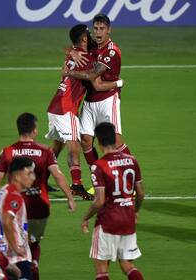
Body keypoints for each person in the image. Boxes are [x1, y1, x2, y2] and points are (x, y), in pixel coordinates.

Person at [0, 112, 76, 280]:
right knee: (33, 245)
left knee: (16, 246)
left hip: (16, 208)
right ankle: (33, 266)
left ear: (19, 129)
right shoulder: (45, 151)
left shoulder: (8, 152)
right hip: (39, 208)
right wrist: (69, 198)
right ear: (34, 130)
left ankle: (24, 270)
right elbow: (58, 175)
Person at [47, 24, 124, 200]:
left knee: (57, 146)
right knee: (74, 148)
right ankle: (77, 185)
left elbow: (64, 67)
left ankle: (40, 179)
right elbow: (95, 83)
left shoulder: (73, 54)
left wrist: (70, 58)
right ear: (83, 39)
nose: (92, 34)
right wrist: (119, 83)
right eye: (89, 33)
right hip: (66, 108)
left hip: (55, 106)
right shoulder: (87, 59)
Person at [64, 14, 130, 167]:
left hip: (108, 98)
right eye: (96, 28)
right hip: (90, 99)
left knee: (115, 140)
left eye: (102, 29)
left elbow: (92, 75)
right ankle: (98, 178)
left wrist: (70, 72)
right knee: (86, 141)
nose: (98, 32)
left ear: (109, 30)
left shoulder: (111, 52)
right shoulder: (93, 45)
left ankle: (130, 177)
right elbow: (71, 46)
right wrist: (72, 52)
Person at [81, 122, 145, 280]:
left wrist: (85, 218)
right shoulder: (132, 160)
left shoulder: (99, 166)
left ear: (99, 142)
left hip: (108, 221)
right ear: (115, 139)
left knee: (102, 269)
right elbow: (141, 193)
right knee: (127, 265)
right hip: (128, 218)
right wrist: (135, 211)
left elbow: (99, 201)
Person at [0, 157, 36, 280]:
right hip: (18, 259)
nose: (33, 177)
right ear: (17, 176)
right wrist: (16, 248)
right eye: (29, 173)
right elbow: (7, 222)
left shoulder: (3, 191)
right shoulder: (14, 196)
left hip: (4, 256)